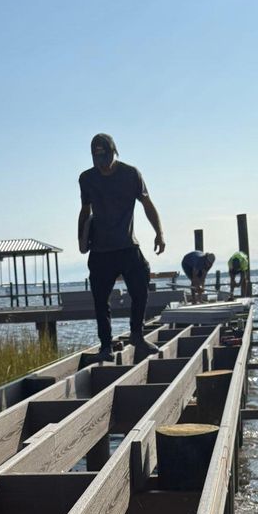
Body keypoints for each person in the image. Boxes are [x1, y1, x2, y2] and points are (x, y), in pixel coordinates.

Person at [78, 133, 165, 362]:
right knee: (100, 300)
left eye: (105, 157)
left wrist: (159, 233)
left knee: (141, 285)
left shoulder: (130, 174)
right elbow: (85, 210)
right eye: (97, 159)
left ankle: (137, 334)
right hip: (100, 251)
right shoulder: (86, 179)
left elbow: (147, 203)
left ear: (114, 152)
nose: (102, 164)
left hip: (127, 246)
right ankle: (105, 346)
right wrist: (81, 240)